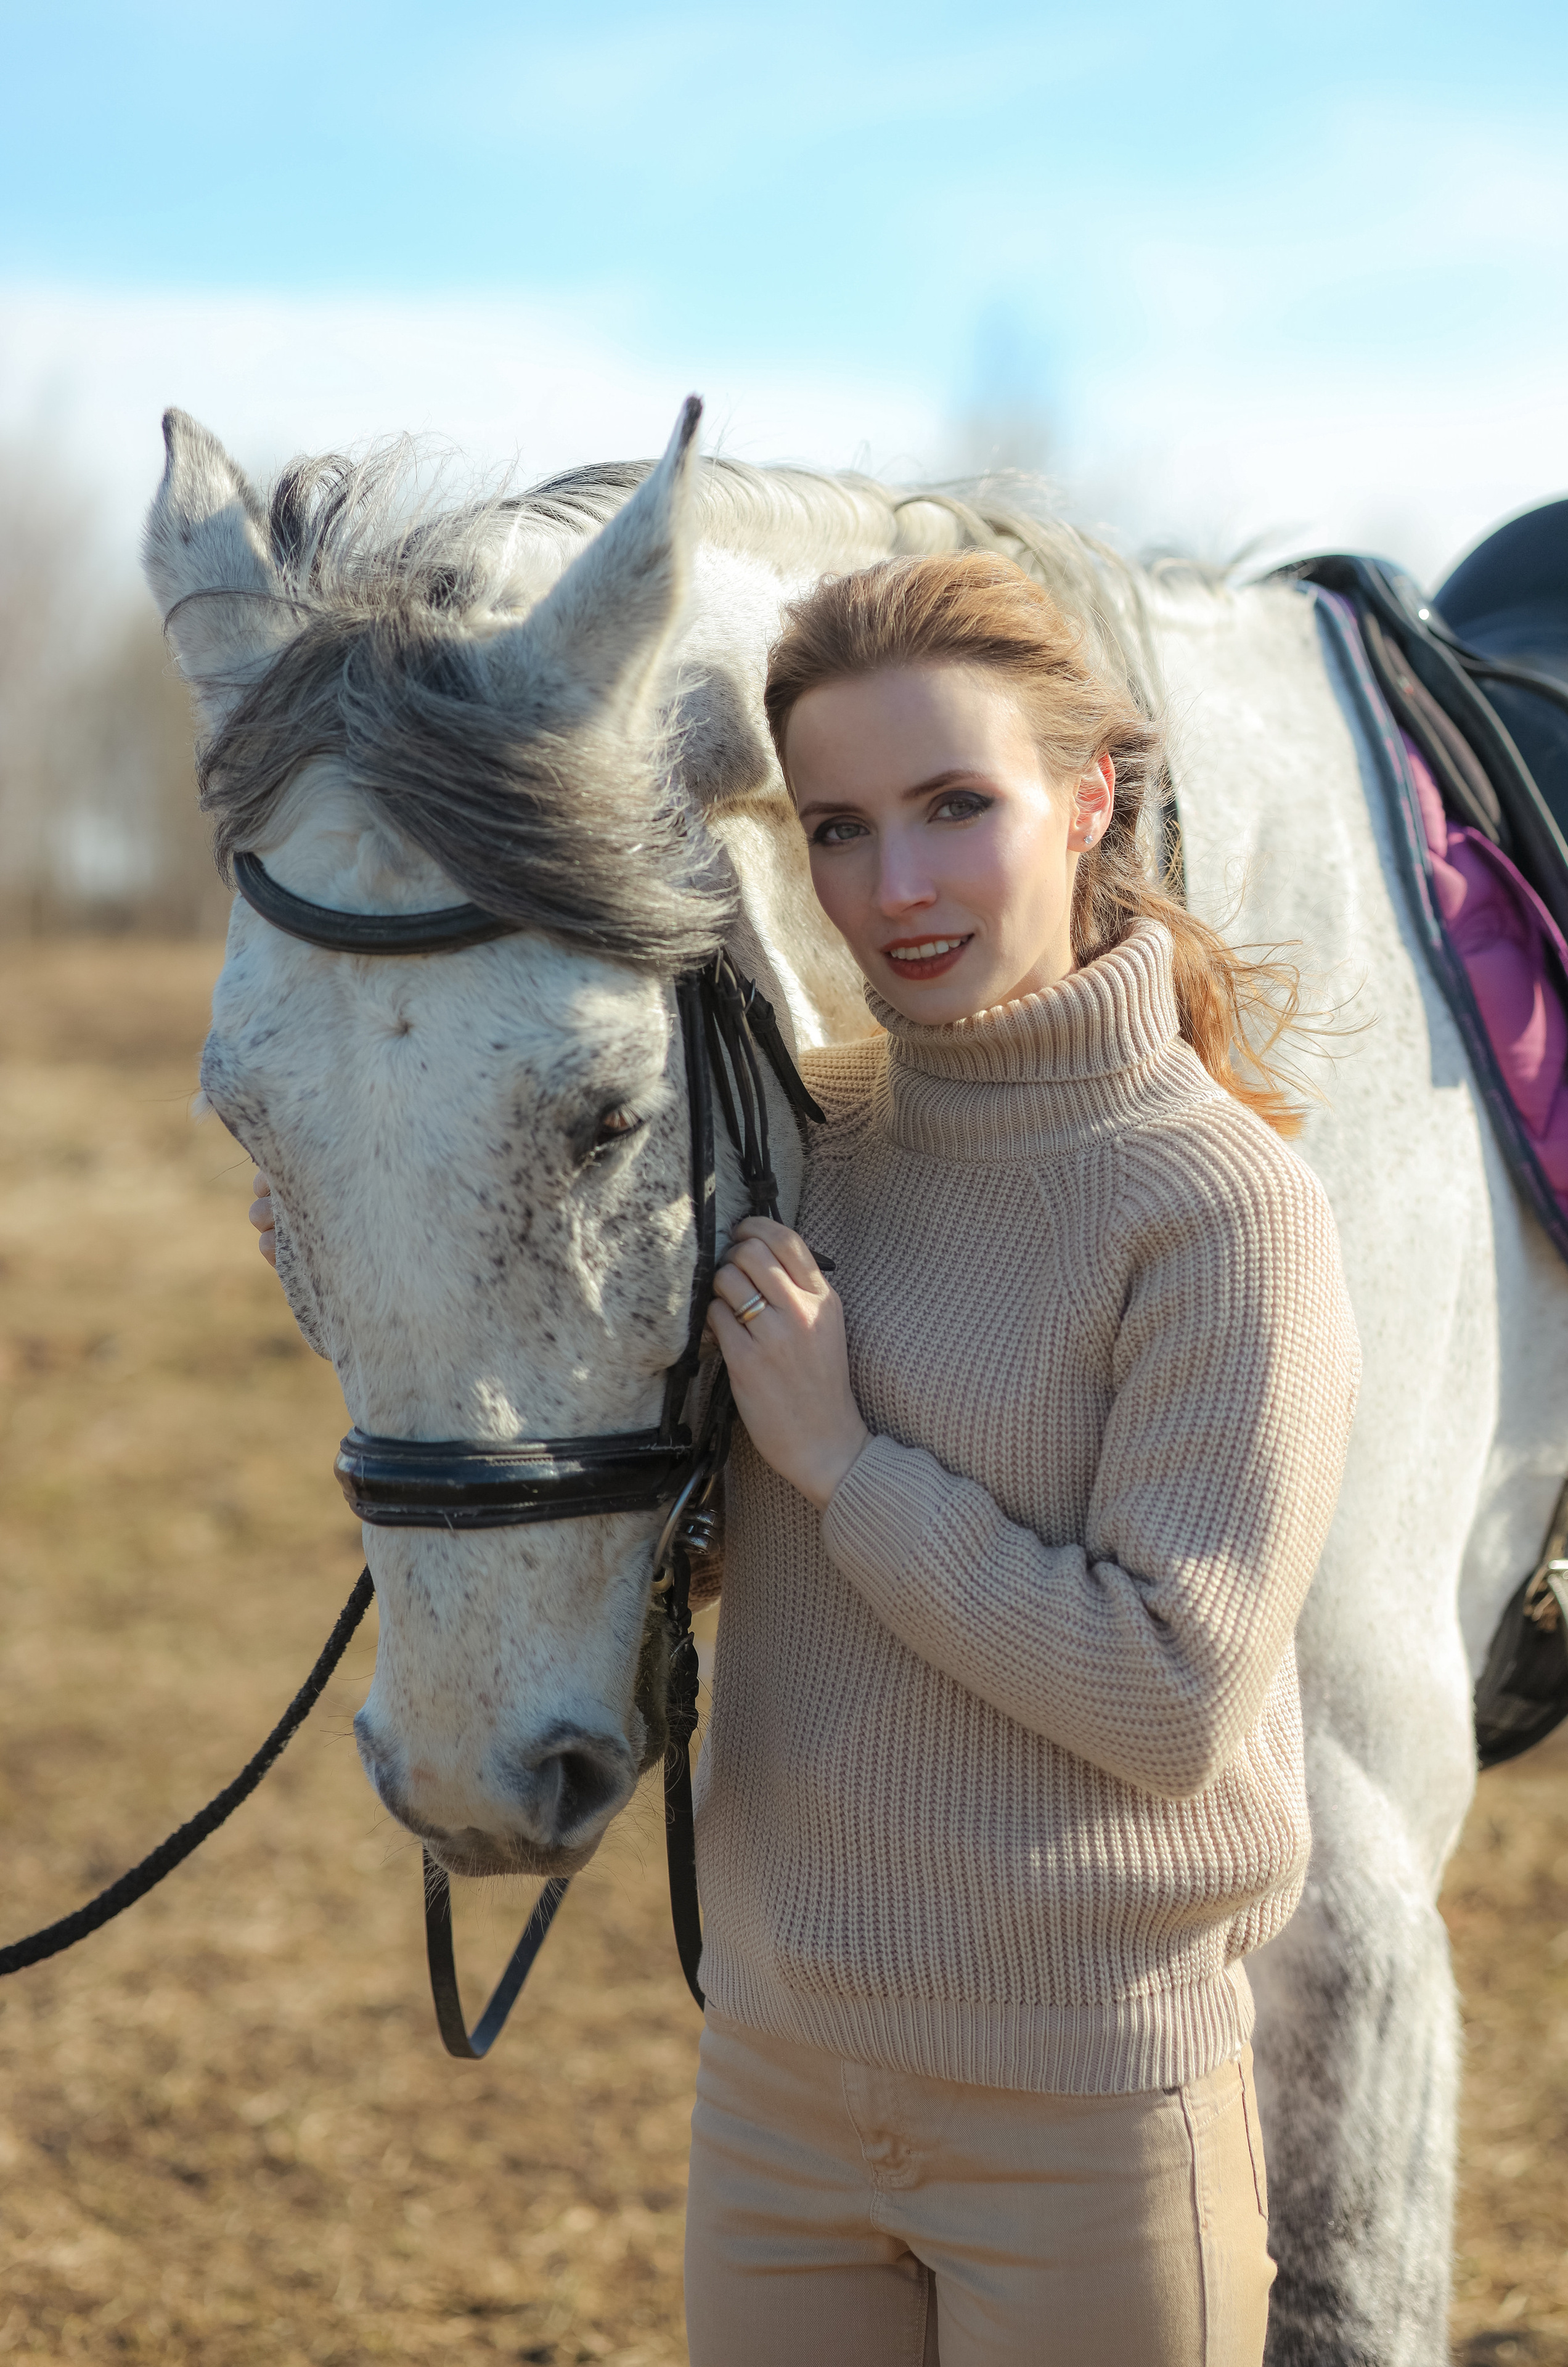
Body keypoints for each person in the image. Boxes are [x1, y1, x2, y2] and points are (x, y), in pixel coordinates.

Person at [251, 551, 1358, 2366]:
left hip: (1078, 2117)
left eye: (953, 809)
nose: (894, 888)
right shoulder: (802, 1144)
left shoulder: (1224, 1213)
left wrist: (845, 1463)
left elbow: (1171, 1690)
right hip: (775, 2094)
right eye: (837, 829)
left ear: (1088, 800)